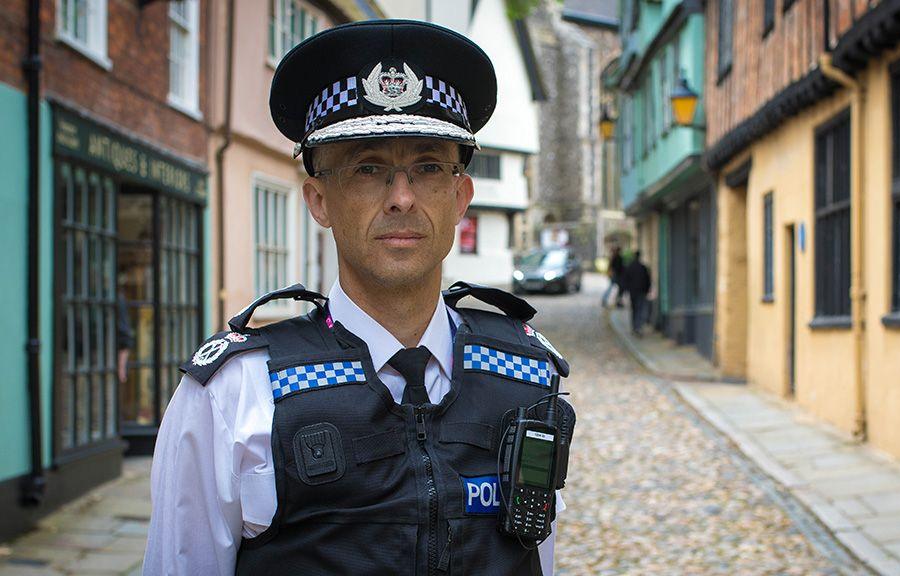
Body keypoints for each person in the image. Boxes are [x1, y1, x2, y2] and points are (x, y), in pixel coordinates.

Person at [143, 20, 573, 576]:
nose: (401, 198)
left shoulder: (526, 376)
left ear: (460, 195)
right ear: (319, 200)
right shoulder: (236, 395)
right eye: (369, 169)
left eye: (427, 167)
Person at [622, 250, 651, 335]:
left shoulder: (630, 267)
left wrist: (626, 290)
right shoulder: (643, 267)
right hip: (641, 292)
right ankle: (638, 327)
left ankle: (635, 327)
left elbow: (625, 280)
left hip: (633, 292)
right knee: (640, 309)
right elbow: (647, 280)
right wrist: (647, 289)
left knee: (635, 309)